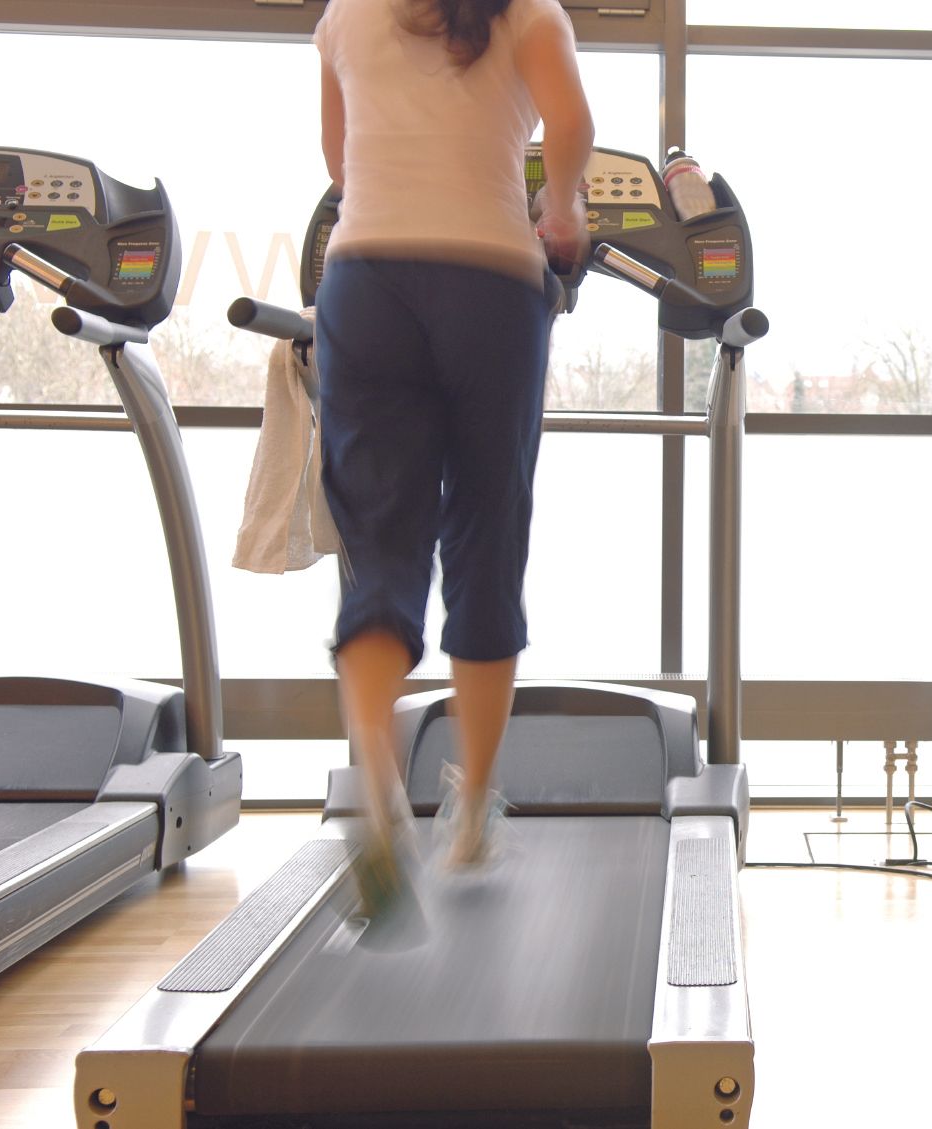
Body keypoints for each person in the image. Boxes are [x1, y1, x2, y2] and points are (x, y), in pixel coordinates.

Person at [313, 0, 594, 910]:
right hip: (489, 283)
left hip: (366, 277)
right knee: (486, 536)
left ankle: (381, 792)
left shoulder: (344, 15)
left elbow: (336, 155)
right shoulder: (528, 13)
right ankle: (469, 810)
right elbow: (571, 123)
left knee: (382, 551)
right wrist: (563, 208)